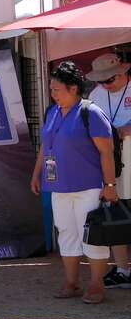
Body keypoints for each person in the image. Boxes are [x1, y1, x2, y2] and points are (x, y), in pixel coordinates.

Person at [31, 61, 118, 304]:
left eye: (56, 89)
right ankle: (72, 283)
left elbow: (106, 151)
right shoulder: (52, 112)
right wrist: (36, 173)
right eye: (51, 90)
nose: (52, 94)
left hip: (88, 186)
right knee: (66, 234)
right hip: (58, 186)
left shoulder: (90, 112)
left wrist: (110, 187)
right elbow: (45, 147)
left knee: (91, 236)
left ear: (73, 89)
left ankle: (96, 285)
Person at [86, 53, 131, 289]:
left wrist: (126, 129)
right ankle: (123, 269)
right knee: (115, 211)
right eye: (101, 81)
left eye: (109, 79)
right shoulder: (96, 95)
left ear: (123, 72)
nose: (105, 85)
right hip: (111, 161)